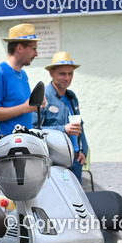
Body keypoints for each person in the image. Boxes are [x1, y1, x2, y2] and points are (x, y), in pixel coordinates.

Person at [0, 23, 45, 151]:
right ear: (20, 47)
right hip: (6, 151)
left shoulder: (23, 75)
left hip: (24, 147)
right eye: (34, 48)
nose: (36, 53)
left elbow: (24, 107)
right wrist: (25, 108)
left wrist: (36, 106)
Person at [38, 52, 88, 182]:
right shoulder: (43, 96)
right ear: (51, 73)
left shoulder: (72, 96)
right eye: (62, 74)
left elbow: (79, 126)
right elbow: (34, 130)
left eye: (70, 73)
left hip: (75, 160)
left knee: (75, 200)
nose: (67, 78)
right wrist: (64, 129)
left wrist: (83, 151)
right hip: (54, 162)